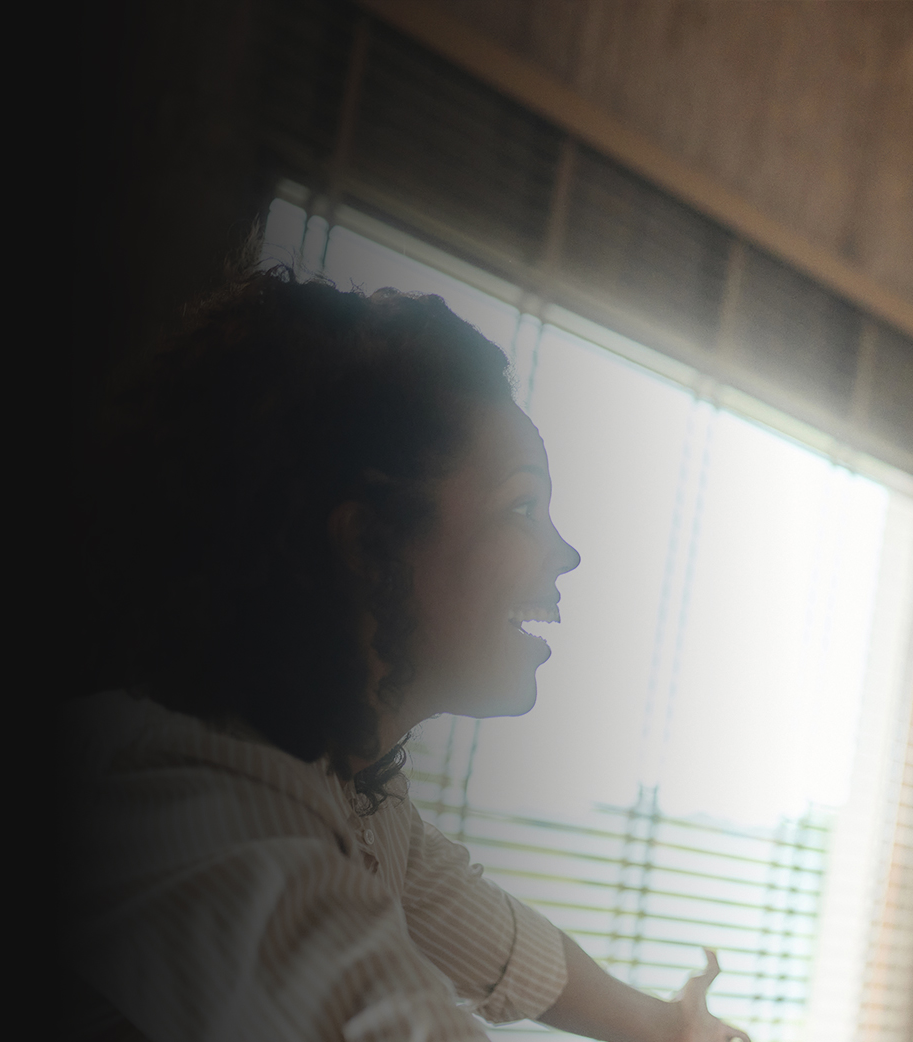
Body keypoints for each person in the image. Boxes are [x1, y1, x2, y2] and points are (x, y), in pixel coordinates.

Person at [67, 271, 749, 1042]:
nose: (567, 553)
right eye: (523, 507)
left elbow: (504, 947)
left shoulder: (356, 797)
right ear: (367, 543)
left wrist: (677, 1028)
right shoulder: (198, 807)